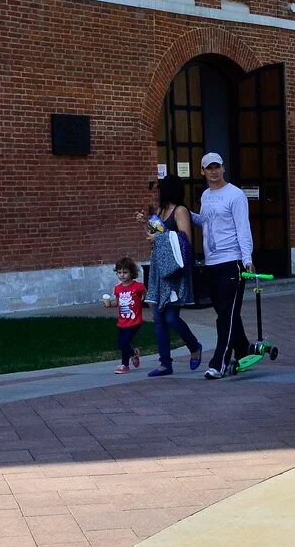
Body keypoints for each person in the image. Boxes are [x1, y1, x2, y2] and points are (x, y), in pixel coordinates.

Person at [192, 152, 254, 380]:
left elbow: (242, 228)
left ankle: (219, 362)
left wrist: (247, 258)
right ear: (202, 171)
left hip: (232, 262)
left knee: (225, 316)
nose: (214, 172)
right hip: (212, 263)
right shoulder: (206, 196)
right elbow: (205, 221)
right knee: (226, 313)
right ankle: (244, 348)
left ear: (223, 168)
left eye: (217, 167)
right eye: (209, 168)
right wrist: (184, 214)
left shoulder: (235, 195)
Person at [136, 175, 203, 377]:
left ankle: (194, 346)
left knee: (172, 318)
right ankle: (165, 363)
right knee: (158, 318)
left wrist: (158, 236)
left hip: (174, 271)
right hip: (159, 269)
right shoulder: (160, 211)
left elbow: (184, 240)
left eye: (160, 188)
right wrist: (145, 223)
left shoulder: (180, 211)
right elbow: (155, 237)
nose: (158, 192)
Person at [105, 257, 145, 375]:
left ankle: (125, 365)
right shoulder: (117, 289)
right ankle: (133, 353)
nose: (122, 275)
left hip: (134, 321)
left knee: (123, 343)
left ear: (132, 273)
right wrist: (108, 304)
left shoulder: (138, 287)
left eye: (125, 272)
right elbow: (117, 303)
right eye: (119, 272)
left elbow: (145, 297)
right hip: (122, 321)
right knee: (123, 344)